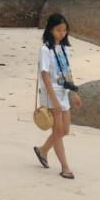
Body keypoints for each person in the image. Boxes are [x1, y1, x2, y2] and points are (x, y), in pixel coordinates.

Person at [33, 13, 82, 180]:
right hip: (50, 92)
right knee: (58, 130)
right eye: (58, 30)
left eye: (64, 30)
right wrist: (53, 99)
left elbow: (67, 71)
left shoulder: (64, 48)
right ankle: (65, 167)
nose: (62, 33)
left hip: (63, 91)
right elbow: (45, 75)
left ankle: (43, 150)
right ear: (50, 30)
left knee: (65, 130)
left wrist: (74, 92)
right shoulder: (45, 49)